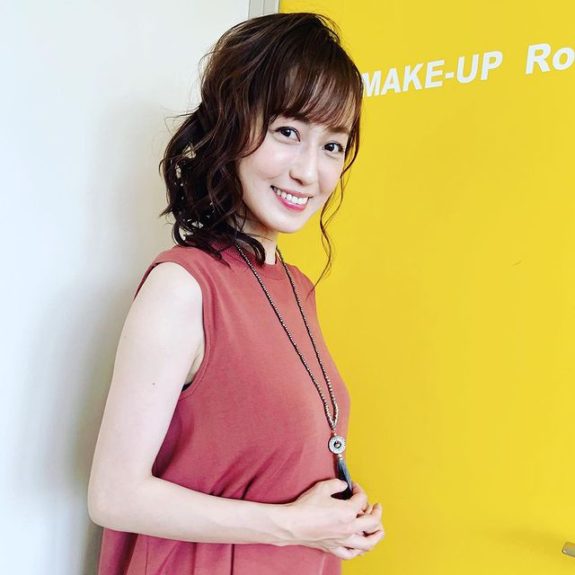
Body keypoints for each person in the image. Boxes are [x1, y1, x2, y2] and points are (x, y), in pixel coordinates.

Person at [87, 11, 384, 575]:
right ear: (232, 126)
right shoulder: (183, 285)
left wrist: (338, 518)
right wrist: (294, 525)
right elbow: (113, 495)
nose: (309, 172)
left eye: (332, 145)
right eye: (288, 132)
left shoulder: (295, 286)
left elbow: (267, 462)